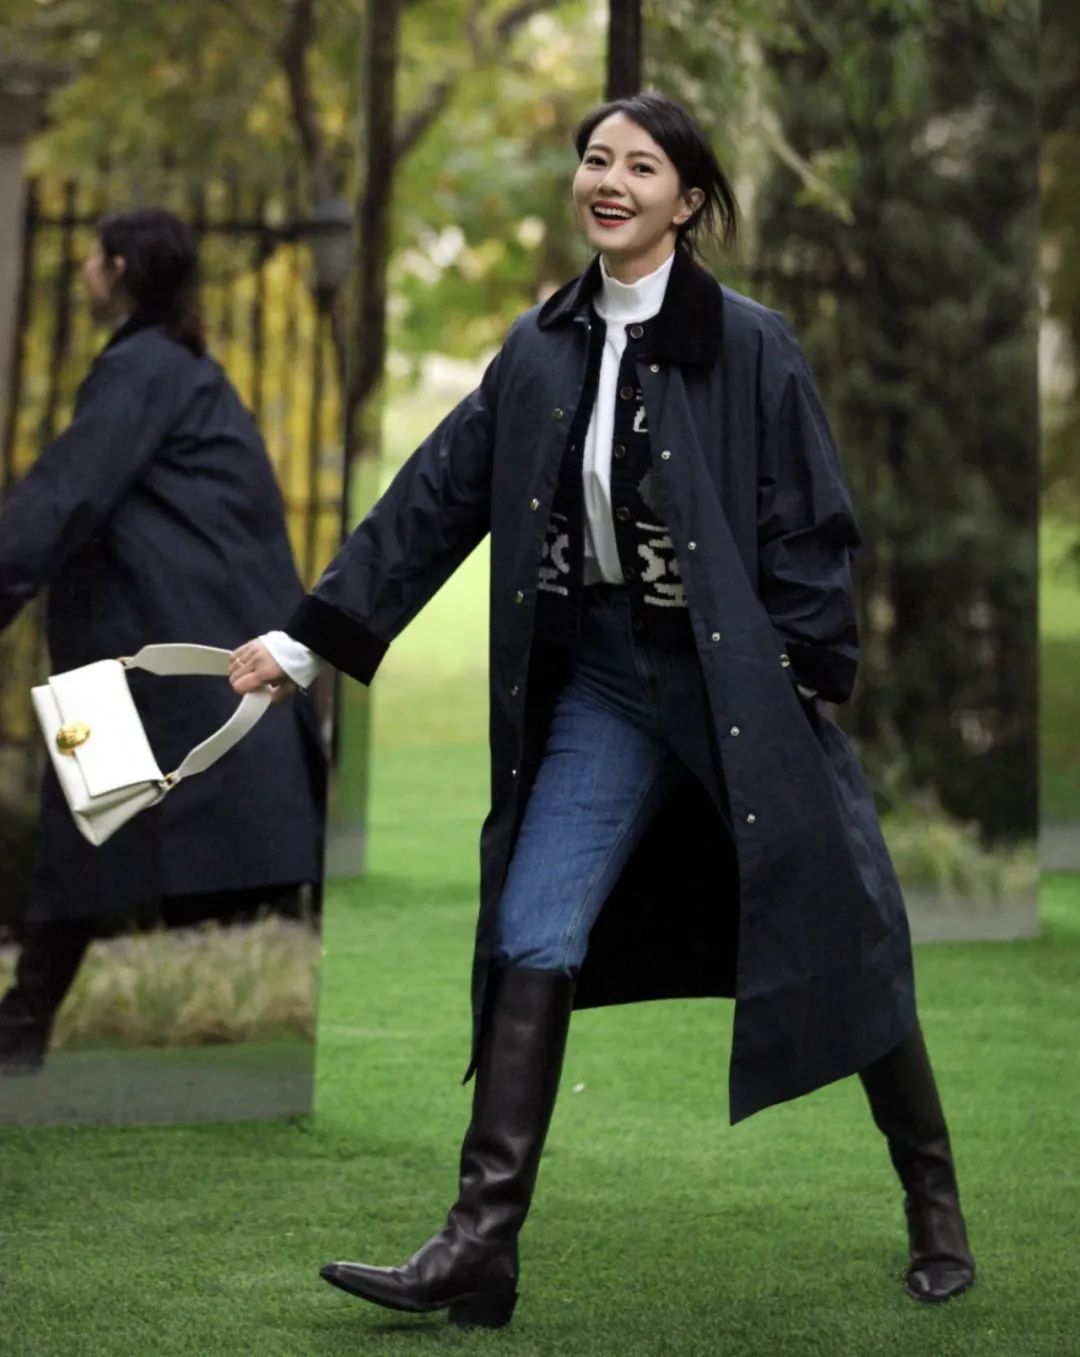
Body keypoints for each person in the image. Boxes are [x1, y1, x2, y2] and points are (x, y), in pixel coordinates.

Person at [230, 93, 974, 1326]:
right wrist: (303, 643)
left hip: (742, 688)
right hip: (611, 685)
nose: (609, 180)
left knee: (841, 927)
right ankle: (480, 1243)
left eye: (641, 165)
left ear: (688, 200)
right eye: (594, 159)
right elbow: (433, 499)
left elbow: (810, 522)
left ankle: (934, 1202)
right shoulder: (539, 347)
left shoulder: (754, 346)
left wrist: (799, 672)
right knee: (534, 927)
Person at [0, 208, 325, 1074]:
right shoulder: (179, 367)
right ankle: (21, 1024)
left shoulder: (144, 369)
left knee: (91, 820)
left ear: (117, 269)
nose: (82, 269)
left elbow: (64, 496)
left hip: (157, 642)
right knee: (88, 823)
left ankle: (22, 1024)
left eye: (91, 257)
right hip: (156, 630)